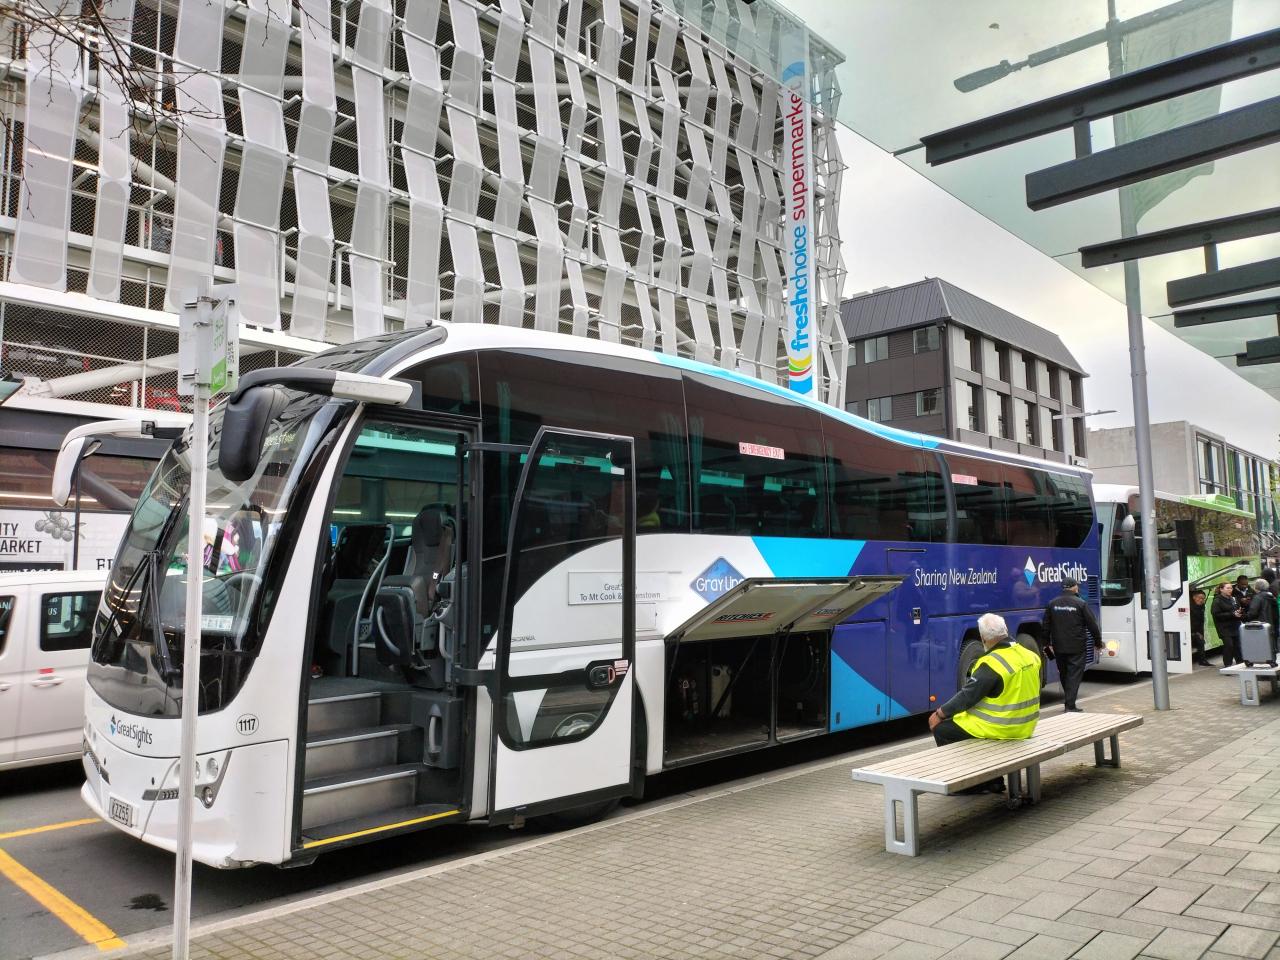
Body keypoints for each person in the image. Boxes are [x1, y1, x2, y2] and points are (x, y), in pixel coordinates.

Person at [928, 613, 1041, 794]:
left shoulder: (992, 663)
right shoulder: (1030, 655)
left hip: (1002, 728)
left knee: (942, 729)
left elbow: (967, 696)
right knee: (960, 721)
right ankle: (993, 780)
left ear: (983, 638)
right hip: (1026, 726)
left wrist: (940, 713)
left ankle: (972, 784)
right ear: (1005, 630)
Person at [1041, 575, 1103, 712]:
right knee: (1074, 675)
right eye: (1077, 585)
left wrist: (1046, 644)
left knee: (1064, 674)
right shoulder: (1081, 604)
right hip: (1077, 646)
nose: (1078, 587)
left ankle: (1069, 702)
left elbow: (1046, 626)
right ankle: (1070, 705)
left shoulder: (1052, 604)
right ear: (1074, 587)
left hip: (1059, 646)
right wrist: (1098, 642)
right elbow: (1093, 626)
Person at [1211, 582, 1242, 667]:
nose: (1230, 590)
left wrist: (1239, 612)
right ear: (1221, 589)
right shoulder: (1217, 601)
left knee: (1237, 645)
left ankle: (1240, 662)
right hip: (1224, 627)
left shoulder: (1233, 599)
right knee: (1229, 645)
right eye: (1227, 588)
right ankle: (1228, 664)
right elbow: (1216, 614)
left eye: (1231, 588)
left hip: (1235, 626)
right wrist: (1232, 614)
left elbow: (1237, 609)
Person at [1189, 588, 1210, 666]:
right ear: (1194, 597)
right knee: (1199, 642)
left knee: (1201, 642)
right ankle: (1201, 660)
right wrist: (1196, 632)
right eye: (1200, 598)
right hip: (1190, 630)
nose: (1201, 600)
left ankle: (1202, 660)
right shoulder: (1189, 606)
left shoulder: (1201, 606)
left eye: (1203, 599)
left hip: (1197, 629)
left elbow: (1201, 621)